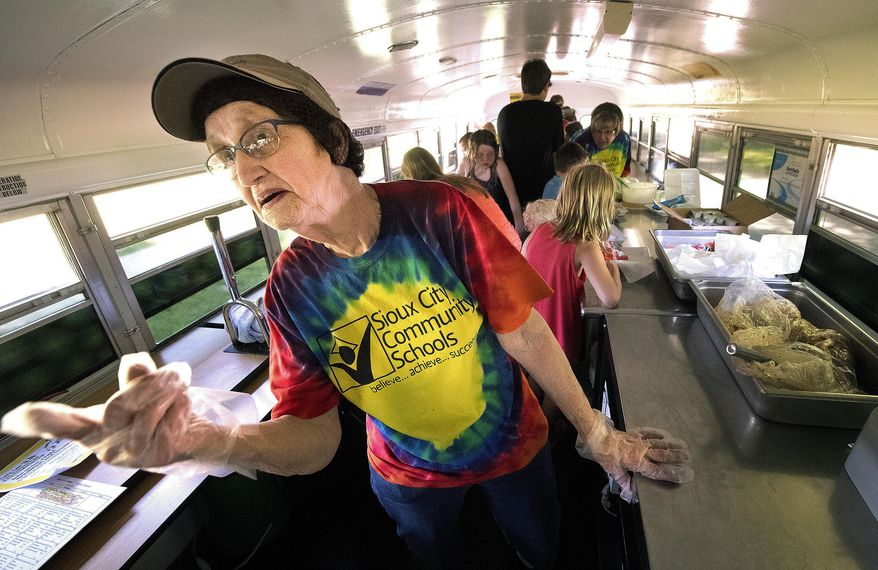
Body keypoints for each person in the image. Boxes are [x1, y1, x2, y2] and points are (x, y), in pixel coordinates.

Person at [1, 54, 692, 569]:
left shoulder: (440, 211)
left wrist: (595, 430)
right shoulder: (290, 289)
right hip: (407, 476)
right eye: (223, 158)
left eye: (259, 138)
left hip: (515, 446)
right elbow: (314, 436)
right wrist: (213, 444)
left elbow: (522, 330)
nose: (243, 171)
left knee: (542, 551)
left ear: (331, 138)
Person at [525, 163, 623, 425]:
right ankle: (540, 437)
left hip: (529, 326)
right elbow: (610, 298)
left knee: (534, 379)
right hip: (559, 333)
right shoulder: (586, 245)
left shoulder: (541, 230)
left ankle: (528, 426)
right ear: (601, 205)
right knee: (556, 397)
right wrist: (613, 269)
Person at [401, 146, 521, 249]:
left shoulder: (435, 194)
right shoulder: (458, 180)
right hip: (511, 240)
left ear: (411, 175)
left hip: (499, 250)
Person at [497, 59, 564, 209]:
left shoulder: (505, 113)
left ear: (523, 85)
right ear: (546, 85)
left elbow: (503, 152)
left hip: (512, 192)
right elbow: (558, 153)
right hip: (544, 192)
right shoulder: (553, 112)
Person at [464, 129, 525, 236]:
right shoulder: (466, 164)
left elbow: (513, 198)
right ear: (472, 153)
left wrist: (519, 226)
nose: (485, 159)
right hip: (474, 220)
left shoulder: (498, 165)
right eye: (480, 155)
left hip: (496, 220)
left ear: (496, 151)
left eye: (490, 154)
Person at [570, 102, 631, 177]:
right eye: (598, 131)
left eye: (608, 132)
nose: (602, 137)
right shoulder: (580, 141)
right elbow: (572, 175)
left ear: (617, 130)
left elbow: (625, 169)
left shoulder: (624, 139)